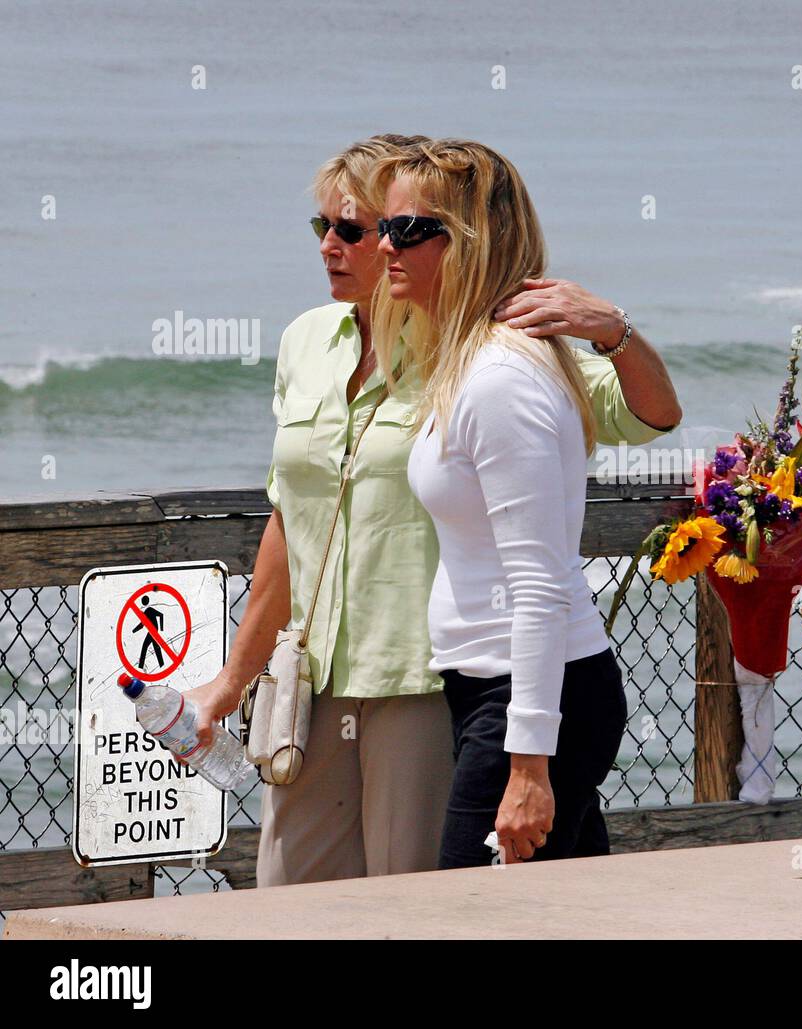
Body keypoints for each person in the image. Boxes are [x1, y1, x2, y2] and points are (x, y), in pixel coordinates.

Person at [184, 134, 681, 885]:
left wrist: (612, 326)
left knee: (446, 903)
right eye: (333, 227)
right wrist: (231, 680)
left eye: (370, 227)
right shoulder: (312, 343)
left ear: (465, 241)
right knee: (306, 902)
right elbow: (291, 517)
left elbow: (647, 422)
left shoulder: (489, 363)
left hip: (446, 684)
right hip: (335, 678)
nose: (347, 245)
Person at [370, 139, 642, 867]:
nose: (383, 246)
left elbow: (540, 584)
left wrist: (528, 767)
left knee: (470, 916)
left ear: (466, 243)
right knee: (568, 916)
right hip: (500, 692)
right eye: (381, 226)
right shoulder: (470, 365)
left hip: (528, 700)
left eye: (407, 230)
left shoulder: (498, 381)